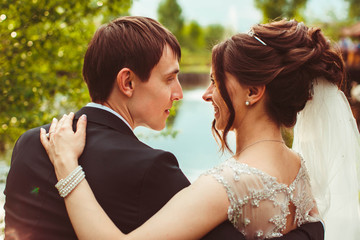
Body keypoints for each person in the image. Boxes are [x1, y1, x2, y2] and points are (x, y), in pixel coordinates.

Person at [39, 19, 355, 239]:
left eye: (216, 81)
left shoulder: (227, 186)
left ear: (253, 91)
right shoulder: (299, 169)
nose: (205, 94)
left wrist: (68, 168)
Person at [4, 16, 246, 240]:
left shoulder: (29, 142)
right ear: (127, 82)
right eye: (170, 79)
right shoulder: (151, 169)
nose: (179, 94)